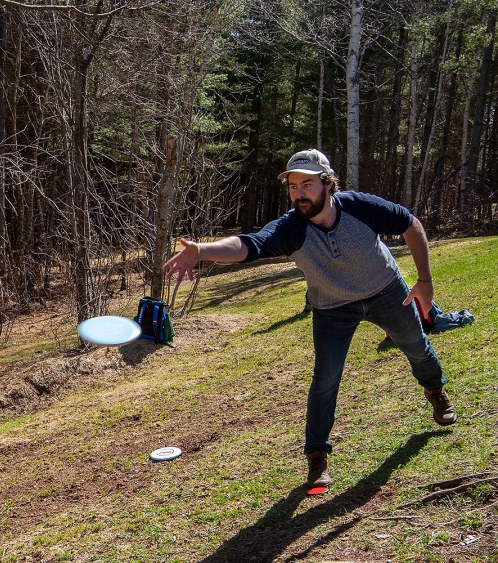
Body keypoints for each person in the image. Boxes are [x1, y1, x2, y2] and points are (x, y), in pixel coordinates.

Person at [163, 149, 456, 490]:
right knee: (325, 379)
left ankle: (435, 391)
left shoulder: (361, 207)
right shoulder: (292, 228)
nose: (299, 193)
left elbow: (410, 224)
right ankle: (317, 457)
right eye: (292, 186)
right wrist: (203, 250)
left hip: (386, 291)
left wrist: (425, 281)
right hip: (332, 307)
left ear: (328, 184)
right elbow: (249, 245)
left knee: (416, 348)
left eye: (307, 184)